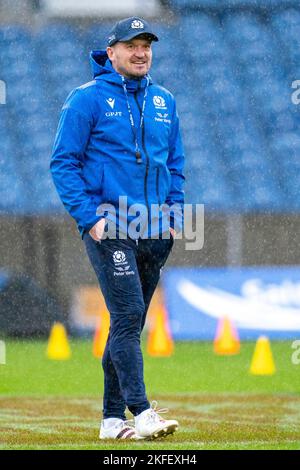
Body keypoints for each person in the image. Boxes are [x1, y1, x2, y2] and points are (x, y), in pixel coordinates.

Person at [50, 16, 185, 440]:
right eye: (131, 45)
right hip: (111, 229)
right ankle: (142, 412)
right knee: (127, 317)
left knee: (127, 325)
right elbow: (63, 163)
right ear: (111, 53)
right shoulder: (85, 99)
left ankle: (111, 422)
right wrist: (90, 219)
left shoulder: (164, 101)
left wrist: (174, 215)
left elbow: (175, 165)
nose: (141, 52)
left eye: (147, 45)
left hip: (154, 232)